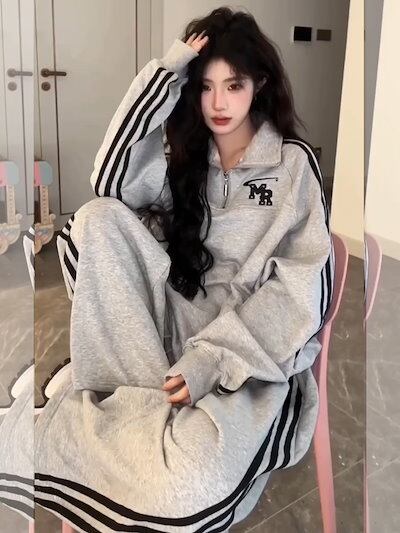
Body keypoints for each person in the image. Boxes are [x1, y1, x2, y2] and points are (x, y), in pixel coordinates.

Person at [35, 7, 335, 532]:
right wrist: (167, 71)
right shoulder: (182, 159)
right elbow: (109, 182)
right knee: (95, 220)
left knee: (186, 487)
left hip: (243, 357)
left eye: (234, 85)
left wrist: (209, 362)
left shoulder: (292, 168)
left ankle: (83, 426)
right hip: (167, 331)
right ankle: (128, 415)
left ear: (260, 85)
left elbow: (298, 292)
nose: (218, 103)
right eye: (206, 87)